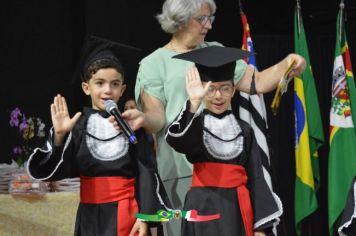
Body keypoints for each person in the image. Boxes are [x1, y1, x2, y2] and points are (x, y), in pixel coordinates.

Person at [120, 0, 305, 235]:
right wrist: (143, 119)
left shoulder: (215, 52)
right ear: (180, 19)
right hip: (180, 172)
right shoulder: (153, 64)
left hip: (224, 168)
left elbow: (256, 81)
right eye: (202, 19)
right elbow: (158, 118)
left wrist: (287, 64)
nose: (208, 25)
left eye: (211, 19)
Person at [26, 35, 170, 236]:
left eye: (114, 84)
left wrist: (145, 217)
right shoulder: (78, 126)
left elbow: (146, 172)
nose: (107, 91)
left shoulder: (131, 125)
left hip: (127, 213)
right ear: (87, 87)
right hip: (90, 217)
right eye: (99, 83)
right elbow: (57, 172)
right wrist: (60, 136)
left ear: (123, 89)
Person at [165, 46, 282, 236]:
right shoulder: (196, 125)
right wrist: (194, 102)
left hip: (236, 206)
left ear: (234, 90)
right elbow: (181, 143)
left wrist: (260, 227)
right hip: (202, 206)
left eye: (224, 89)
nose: (218, 96)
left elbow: (256, 177)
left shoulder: (244, 130)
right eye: (210, 89)